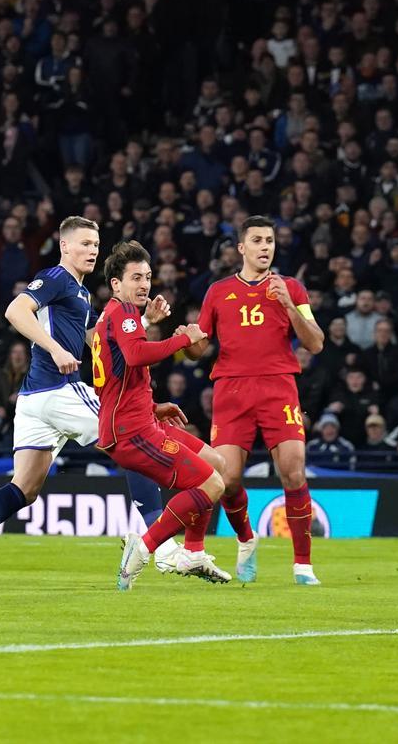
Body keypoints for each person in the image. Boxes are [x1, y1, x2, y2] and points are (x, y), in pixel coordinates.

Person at [0, 217, 176, 587]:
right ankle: (162, 547)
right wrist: (55, 347)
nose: (92, 250)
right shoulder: (57, 278)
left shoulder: (79, 294)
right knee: (130, 442)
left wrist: (144, 319)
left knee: (25, 488)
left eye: (96, 244)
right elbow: (15, 311)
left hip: (34, 398)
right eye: (84, 243)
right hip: (59, 389)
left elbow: (99, 340)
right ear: (65, 246)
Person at [191, 215, 326, 586]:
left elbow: (315, 342)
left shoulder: (292, 289)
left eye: (270, 240)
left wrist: (288, 306)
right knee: (228, 479)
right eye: (257, 240)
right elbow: (199, 348)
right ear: (241, 248)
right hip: (232, 391)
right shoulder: (218, 292)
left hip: (278, 387)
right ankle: (247, 539)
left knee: (294, 469)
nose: (265, 246)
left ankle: (302, 565)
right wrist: (188, 340)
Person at [96, 242, 232, 589]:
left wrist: (153, 405)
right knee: (211, 484)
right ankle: (143, 549)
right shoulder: (122, 314)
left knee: (217, 463)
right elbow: (136, 355)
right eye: (135, 277)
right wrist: (183, 339)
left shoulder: (118, 316)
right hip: (132, 432)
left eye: (148, 277)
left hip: (141, 419)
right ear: (116, 284)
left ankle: (193, 552)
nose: (144, 284)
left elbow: (114, 378)